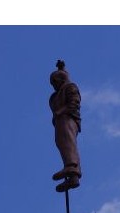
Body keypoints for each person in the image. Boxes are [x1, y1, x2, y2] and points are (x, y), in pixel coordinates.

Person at [47, 60, 82, 191]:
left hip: (68, 119)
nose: (54, 86)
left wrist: (60, 111)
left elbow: (74, 104)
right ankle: (73, 176)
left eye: (55, 82)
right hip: (60, 121)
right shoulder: (55, 96)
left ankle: (72, 166)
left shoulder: (70, 87)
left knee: (68, 141)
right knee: (61, 142)